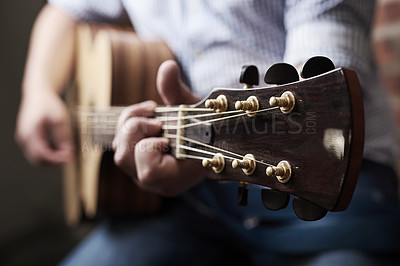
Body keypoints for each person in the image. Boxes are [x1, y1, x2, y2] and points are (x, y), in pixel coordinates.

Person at [15, 0, 400, 265]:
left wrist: (213, 138)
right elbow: (64, 11)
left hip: (332, 187)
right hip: (194, 201)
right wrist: (38, 92)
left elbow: (320, 96)